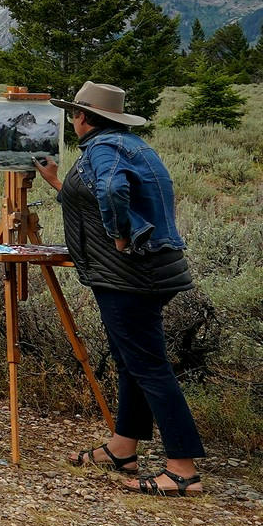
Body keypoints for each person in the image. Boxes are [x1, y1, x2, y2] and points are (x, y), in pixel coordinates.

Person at [29, 81, 203, 495]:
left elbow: (111, 190)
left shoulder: (102, 150)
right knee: (132, 361)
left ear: (83, 118)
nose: (72, 121)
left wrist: (120, 236)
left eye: (74, 114)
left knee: (149, 366)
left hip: (129, 274)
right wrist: (57, 182)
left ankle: (183, 469)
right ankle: (123, 448)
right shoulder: (131, 146)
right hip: (150, 270)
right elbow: (98, 194)